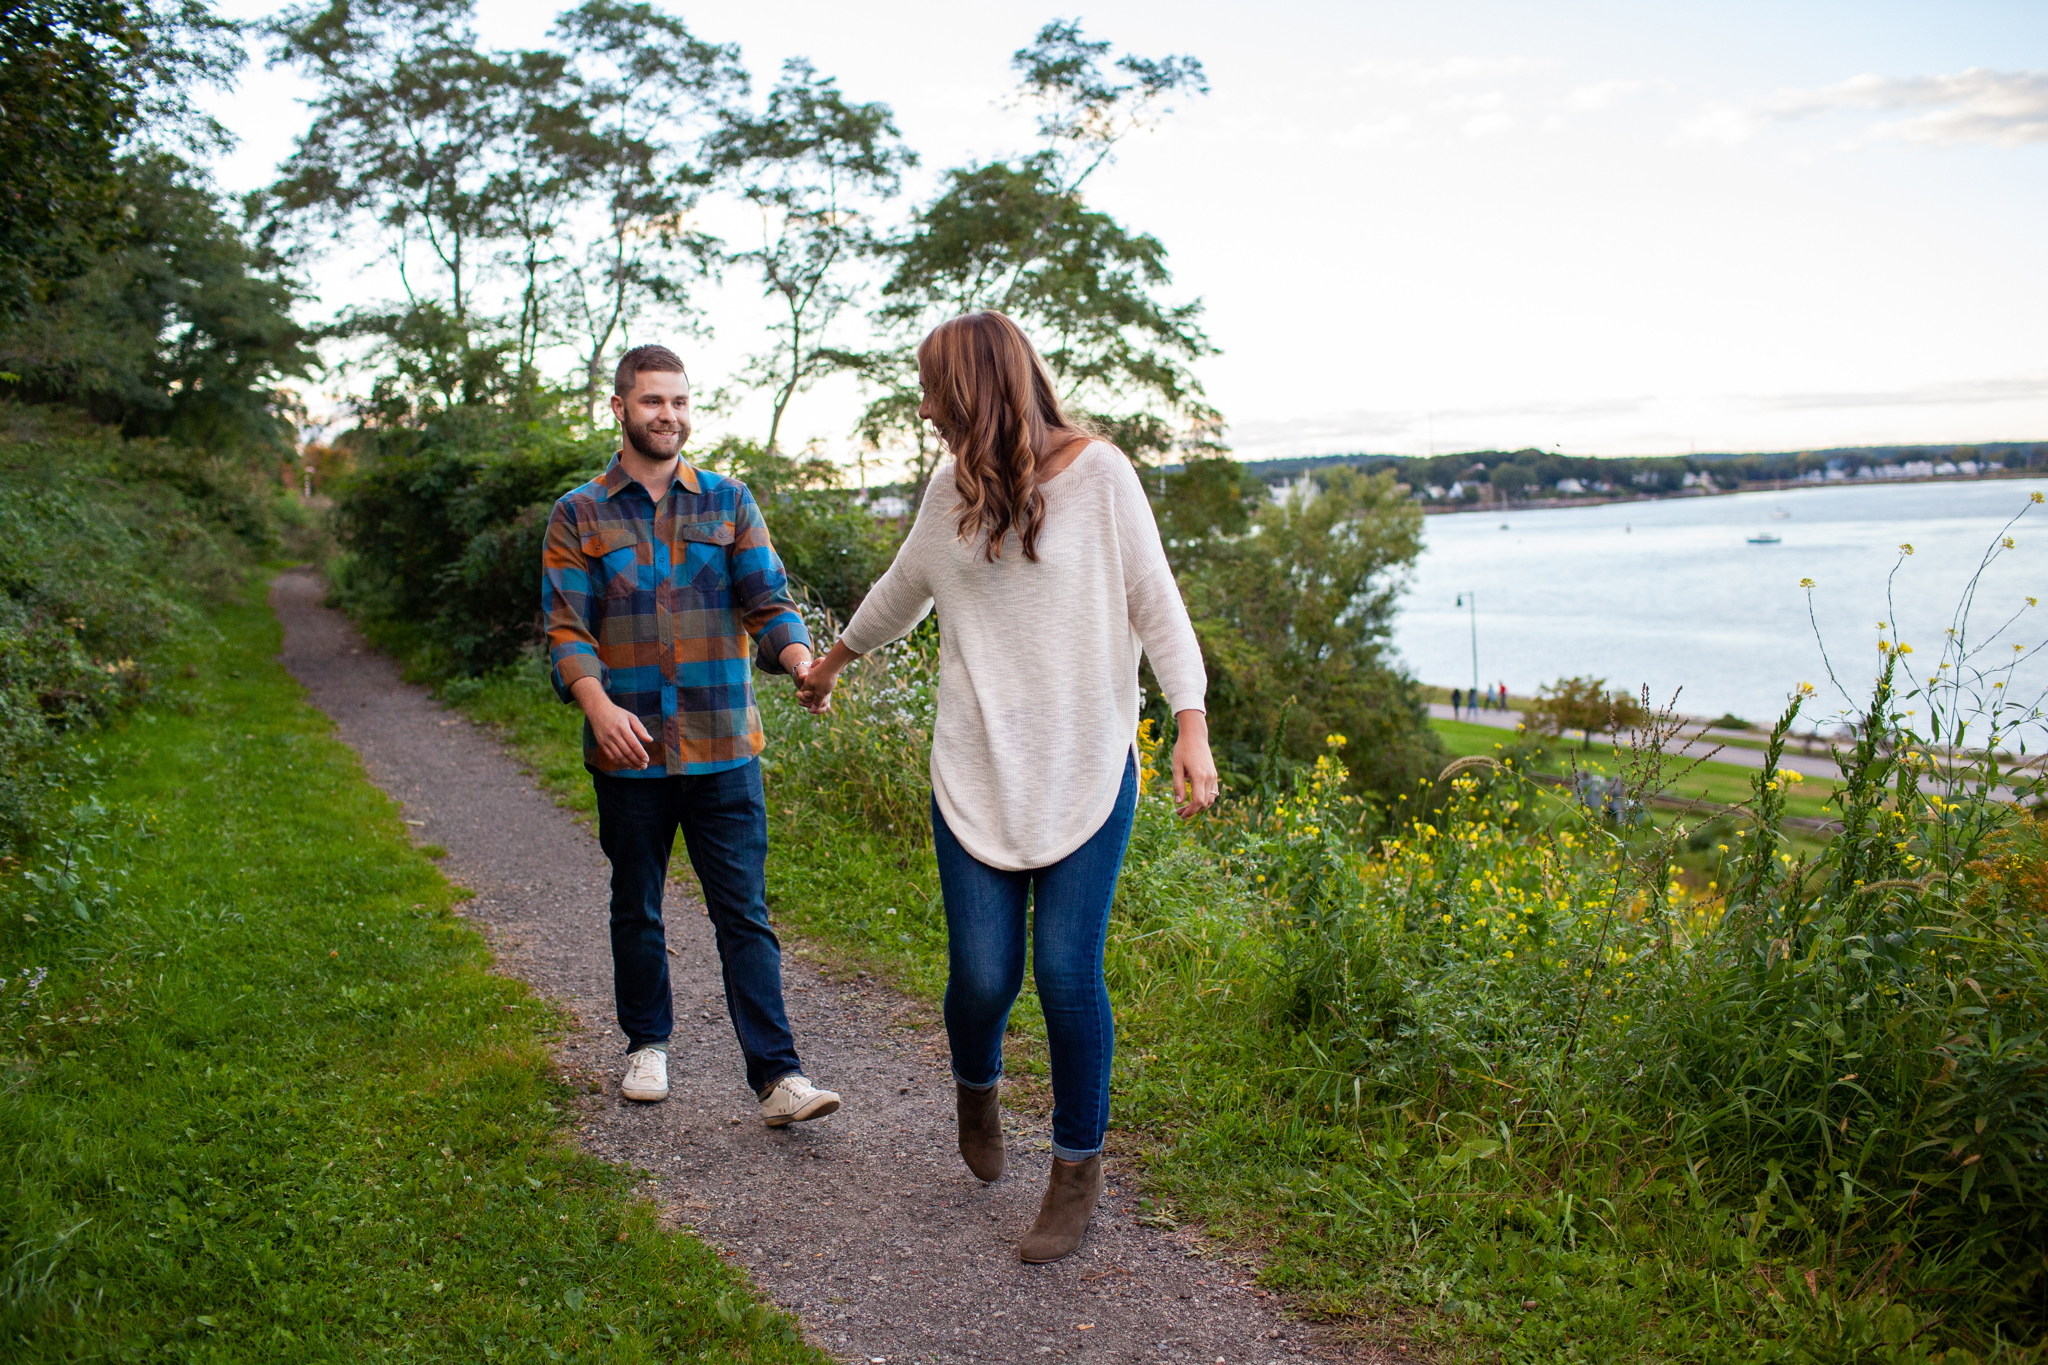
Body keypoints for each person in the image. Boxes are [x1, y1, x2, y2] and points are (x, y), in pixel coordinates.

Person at [797, 312, 1217, 1264]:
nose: (924, 407)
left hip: (1085, 767)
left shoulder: (1103, 476)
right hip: (976, 769)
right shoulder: (950, 488)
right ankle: (975, 1085)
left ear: (976, 388)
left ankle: (1075, 1171)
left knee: (1067, 974)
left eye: (934, 389)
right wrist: (830, 663)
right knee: (983, 978)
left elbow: (1158, 606)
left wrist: (1190, 726)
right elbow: (902, 588)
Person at [541, 344, 841, 1129]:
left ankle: (779, 1076)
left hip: (723, 746)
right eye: (651, 402)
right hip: (628, 751)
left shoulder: (729, 502)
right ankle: (647, 1043)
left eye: (678, 401)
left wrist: (802, 658)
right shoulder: (578, 513)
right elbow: (567, 629)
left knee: (743, 910)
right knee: (636, 902)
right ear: (619, 408)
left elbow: (767, 601)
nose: (667, 415)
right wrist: (597, 707)